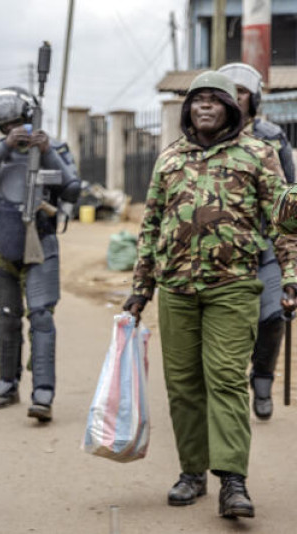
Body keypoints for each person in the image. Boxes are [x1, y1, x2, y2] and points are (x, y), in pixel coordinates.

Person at [124, 71, 297, 519]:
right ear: (187, 110)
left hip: (233, 286)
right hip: (177, 290)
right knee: (182, 386)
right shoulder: (169, 160)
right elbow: (151, 226)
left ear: (230, 108)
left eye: (213, 100)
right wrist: (140, 289)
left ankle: (232, 481)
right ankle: (192, 472)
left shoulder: (258, 154)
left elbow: (283, 221)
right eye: (196, 100)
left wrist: (291, 275)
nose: (203, 106)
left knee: (223, 378)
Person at [0, 86, 80, 419]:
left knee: (41, 316)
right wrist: (5, 146)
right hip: (0, 243)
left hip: (41, 242)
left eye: (18, 122)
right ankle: (6, 383)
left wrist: (47, 151)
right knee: (8, 315)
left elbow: (72, 188)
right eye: (5, 126)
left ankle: (42, 393)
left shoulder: (53, 148)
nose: (13, 129)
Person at [218, 62, 296, 420]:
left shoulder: (273, 136)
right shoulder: (207, 136)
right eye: (228, 90)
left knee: (274, 313)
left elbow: (288, 196)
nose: (236, 97)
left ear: (254, 99)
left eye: (243, 91)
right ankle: (223, 385)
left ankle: (262, 379)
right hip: (223, 247)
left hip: (267, 245)